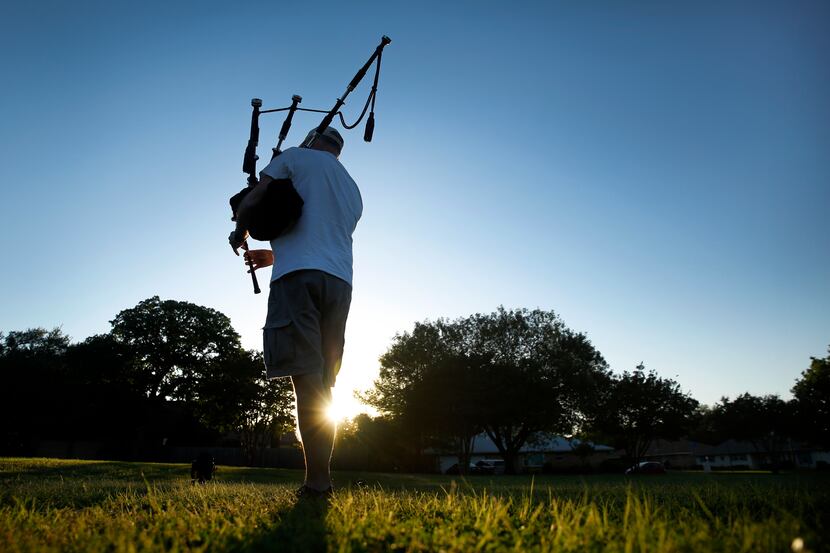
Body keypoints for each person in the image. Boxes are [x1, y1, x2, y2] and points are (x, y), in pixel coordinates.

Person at [228, 127, 362, 498]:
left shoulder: (294, 157)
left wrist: (240, 228)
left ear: (312, 140)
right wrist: (272, 256)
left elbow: (257, 196)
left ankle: (318, 483)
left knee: (305, 380)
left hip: (297, 281)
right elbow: (317, 235)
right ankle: (321, 478)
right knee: (323, 384)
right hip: (339, 285)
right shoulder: (352, 188)